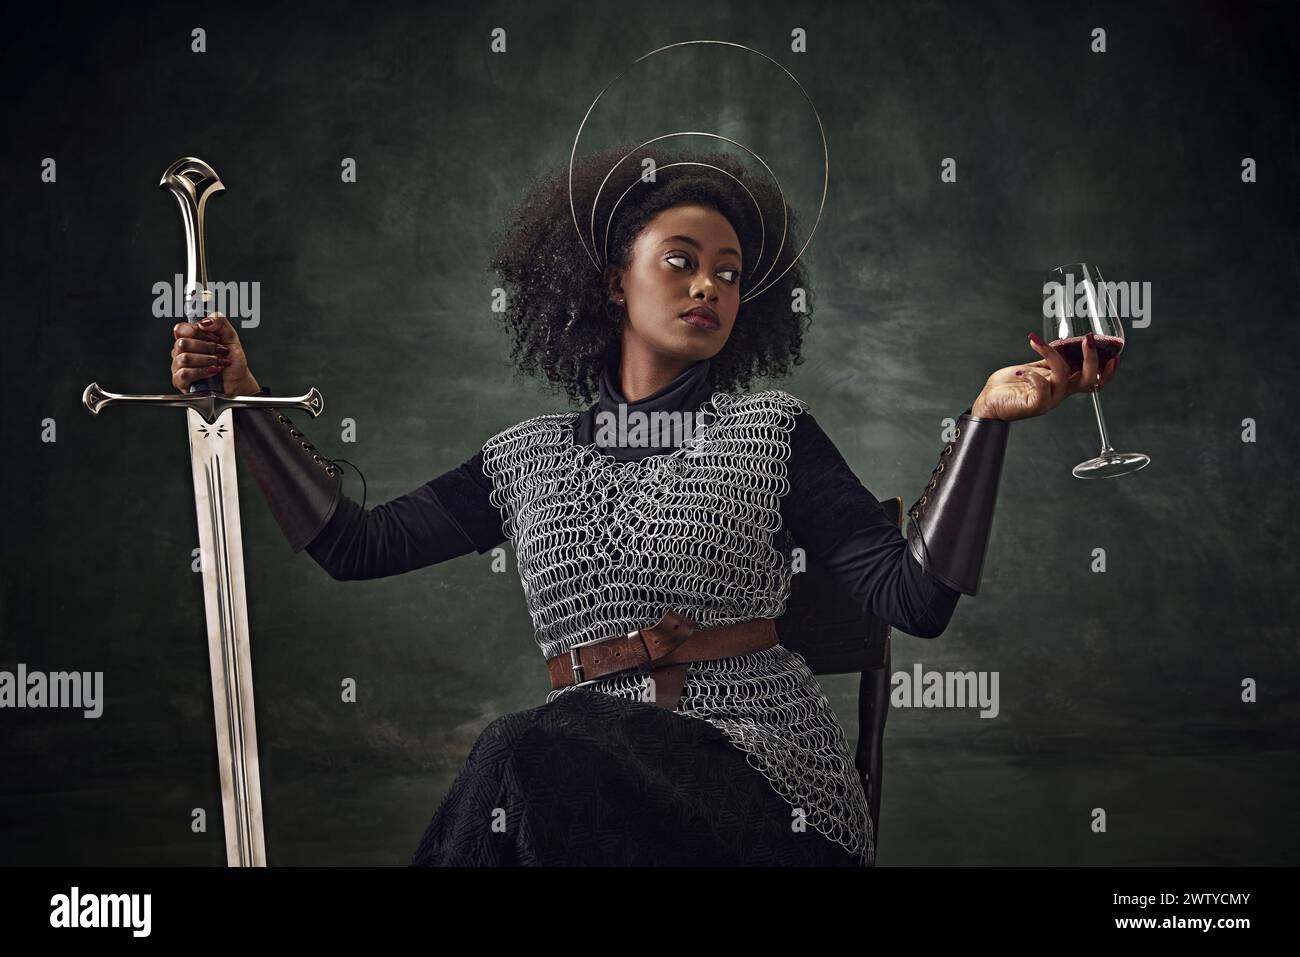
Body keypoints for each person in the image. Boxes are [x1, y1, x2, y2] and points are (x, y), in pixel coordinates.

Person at [168, 145, 1118, 867]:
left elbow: (916, 599)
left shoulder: (773, 433)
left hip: (764, 791)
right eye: (681, 259)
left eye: (732, 271)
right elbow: (354, 544)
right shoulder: (525, 457)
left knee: (521, 750)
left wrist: (989, 420)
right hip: (583, 798)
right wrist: (243, 404)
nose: (710, 283)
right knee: (541, 772)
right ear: (612, 277)